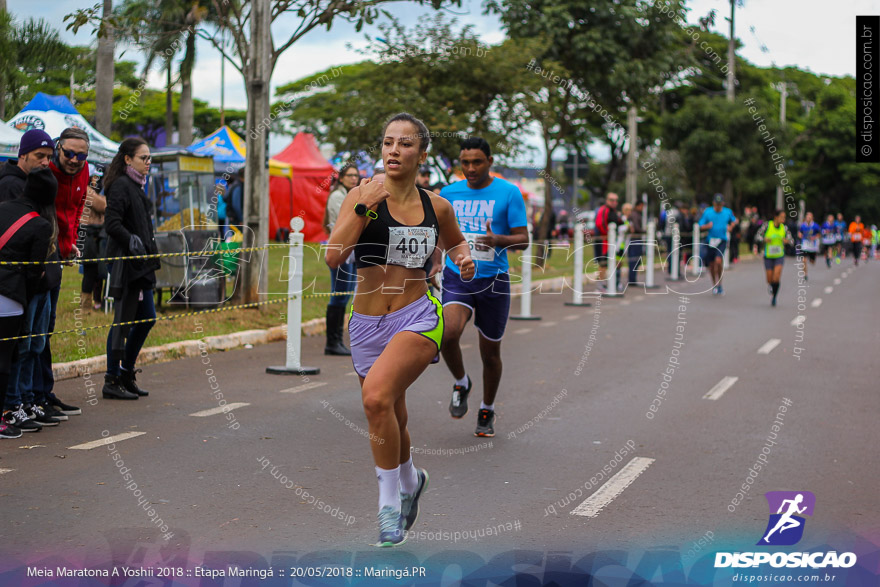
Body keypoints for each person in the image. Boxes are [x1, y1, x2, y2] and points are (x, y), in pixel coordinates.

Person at [326, 113, 474, 547]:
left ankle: (388, 505)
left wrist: (463, 258)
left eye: (405, 143)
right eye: (388, 142)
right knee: (394, 414)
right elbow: (334, 256)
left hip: (417, 315)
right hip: (368, 323)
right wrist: (360, 207)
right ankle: (411, 480)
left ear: (421, 154)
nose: (393, 150)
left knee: (375, 400)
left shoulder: (437, 205)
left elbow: (456, 240)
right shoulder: (362, 194)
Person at [439, 136, 529, 438]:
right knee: (447, 334)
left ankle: (487, 407)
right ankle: (461, 382)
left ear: (489, 162)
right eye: (465, 162)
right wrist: (436, 262)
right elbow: (442, 235)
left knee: (490, 353)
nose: (470, 168)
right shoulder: (449, 193)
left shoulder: (509, 193)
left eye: (477, 162)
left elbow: (523, 239)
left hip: (494, 281)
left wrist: (498, 240)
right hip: (458, 277)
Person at [102, 138, 161, 401]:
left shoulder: (137, 185)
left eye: (150, 158)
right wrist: (131, 240)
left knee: (147, 318)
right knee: (122, 323)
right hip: (126, 266)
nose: (148, 163)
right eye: (143, 158)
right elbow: (112, 224)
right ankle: (111, 379)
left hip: (142, 264)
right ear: (128, 159)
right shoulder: (120, 186)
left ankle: (126, 372)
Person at [0, 168, 57, 437]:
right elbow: (35, 272)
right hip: (11, 298)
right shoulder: (41, 225)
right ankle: (7, 412)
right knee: (7, 357)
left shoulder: (2, 208)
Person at [322, 163, 360, 355]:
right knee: (338, 294)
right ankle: (332, 341)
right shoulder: (338, 196)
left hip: (350, 250)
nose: (354, 178)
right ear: (342, 177)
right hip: (340, 249)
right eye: (350, 175)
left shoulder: (348, 194)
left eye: (356, 175)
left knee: (344, 295)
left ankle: (337, 339)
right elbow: (346, 221)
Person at [697, 194, 737, 295]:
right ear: (713, 203)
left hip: (722, 240)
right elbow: (700, 225)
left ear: (722, 204)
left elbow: (735, 220)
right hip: (710, 240)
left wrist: (731, 226)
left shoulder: (727, 212)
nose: (718, 206)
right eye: (716, 204)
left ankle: (720, 284)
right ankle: (714, 284)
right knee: (711, 264)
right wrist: (707, 226)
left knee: (718, 261)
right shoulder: (708, 212)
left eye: (720, 204)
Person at [80, 167, 107, 311]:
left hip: (93, 232)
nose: (97, 180)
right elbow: (102, 205)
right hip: (88, 233)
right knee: (91, 270)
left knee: (96, 270)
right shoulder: (87, 190)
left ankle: (94, 301)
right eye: (95, 177)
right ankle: (85, 304)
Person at [754, 210, 794, 307]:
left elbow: (792, 241)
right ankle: (771, 286)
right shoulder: (767, 225)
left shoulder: (784, 228)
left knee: (776, 276)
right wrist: (764, 239)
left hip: (779, 256)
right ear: (776, 217)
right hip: (768, 255)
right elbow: (757, 236)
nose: (784, 219)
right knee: (769, 278)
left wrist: (787, 241)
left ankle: (774, 297)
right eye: (782, 217)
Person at [0, 129, 54, 202]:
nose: (46, 162)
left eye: (49, 157)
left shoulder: (35, 182)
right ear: (23, 154)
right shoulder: (11, 185)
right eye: (40, 156)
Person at [593, 193, 621, 291]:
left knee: (613, 262)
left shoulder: (613, 211)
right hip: (603, 241)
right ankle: (600, 284)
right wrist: (608, 235)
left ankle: (613, 282)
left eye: (616, 200)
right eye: (612, 200)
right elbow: (600, 224)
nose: (614, 202)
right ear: (607, 200)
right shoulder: (604, 210)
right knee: (603, 263)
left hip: (612, 241)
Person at [797, 212, 820, 281]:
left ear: (812, 218)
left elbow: (819, 234)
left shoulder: (815, 226)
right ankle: (805, 274)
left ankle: (812, 259)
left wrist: (815, 237)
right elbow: (800, 232)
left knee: (812, 262)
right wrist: (800, 235)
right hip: (805, 244)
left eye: (810, 217)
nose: (808, 218)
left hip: (812, 246)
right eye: (807, 217)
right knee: (804, 260)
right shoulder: (803, 225)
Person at [626, 200, 644, 285]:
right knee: (634, 260)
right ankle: (632, 280)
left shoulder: (635, 214)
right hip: (635, 240)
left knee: (635, 260)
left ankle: (632, 279)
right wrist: (644, 231)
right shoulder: (635, 214)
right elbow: (636, 228)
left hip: (635, 240)